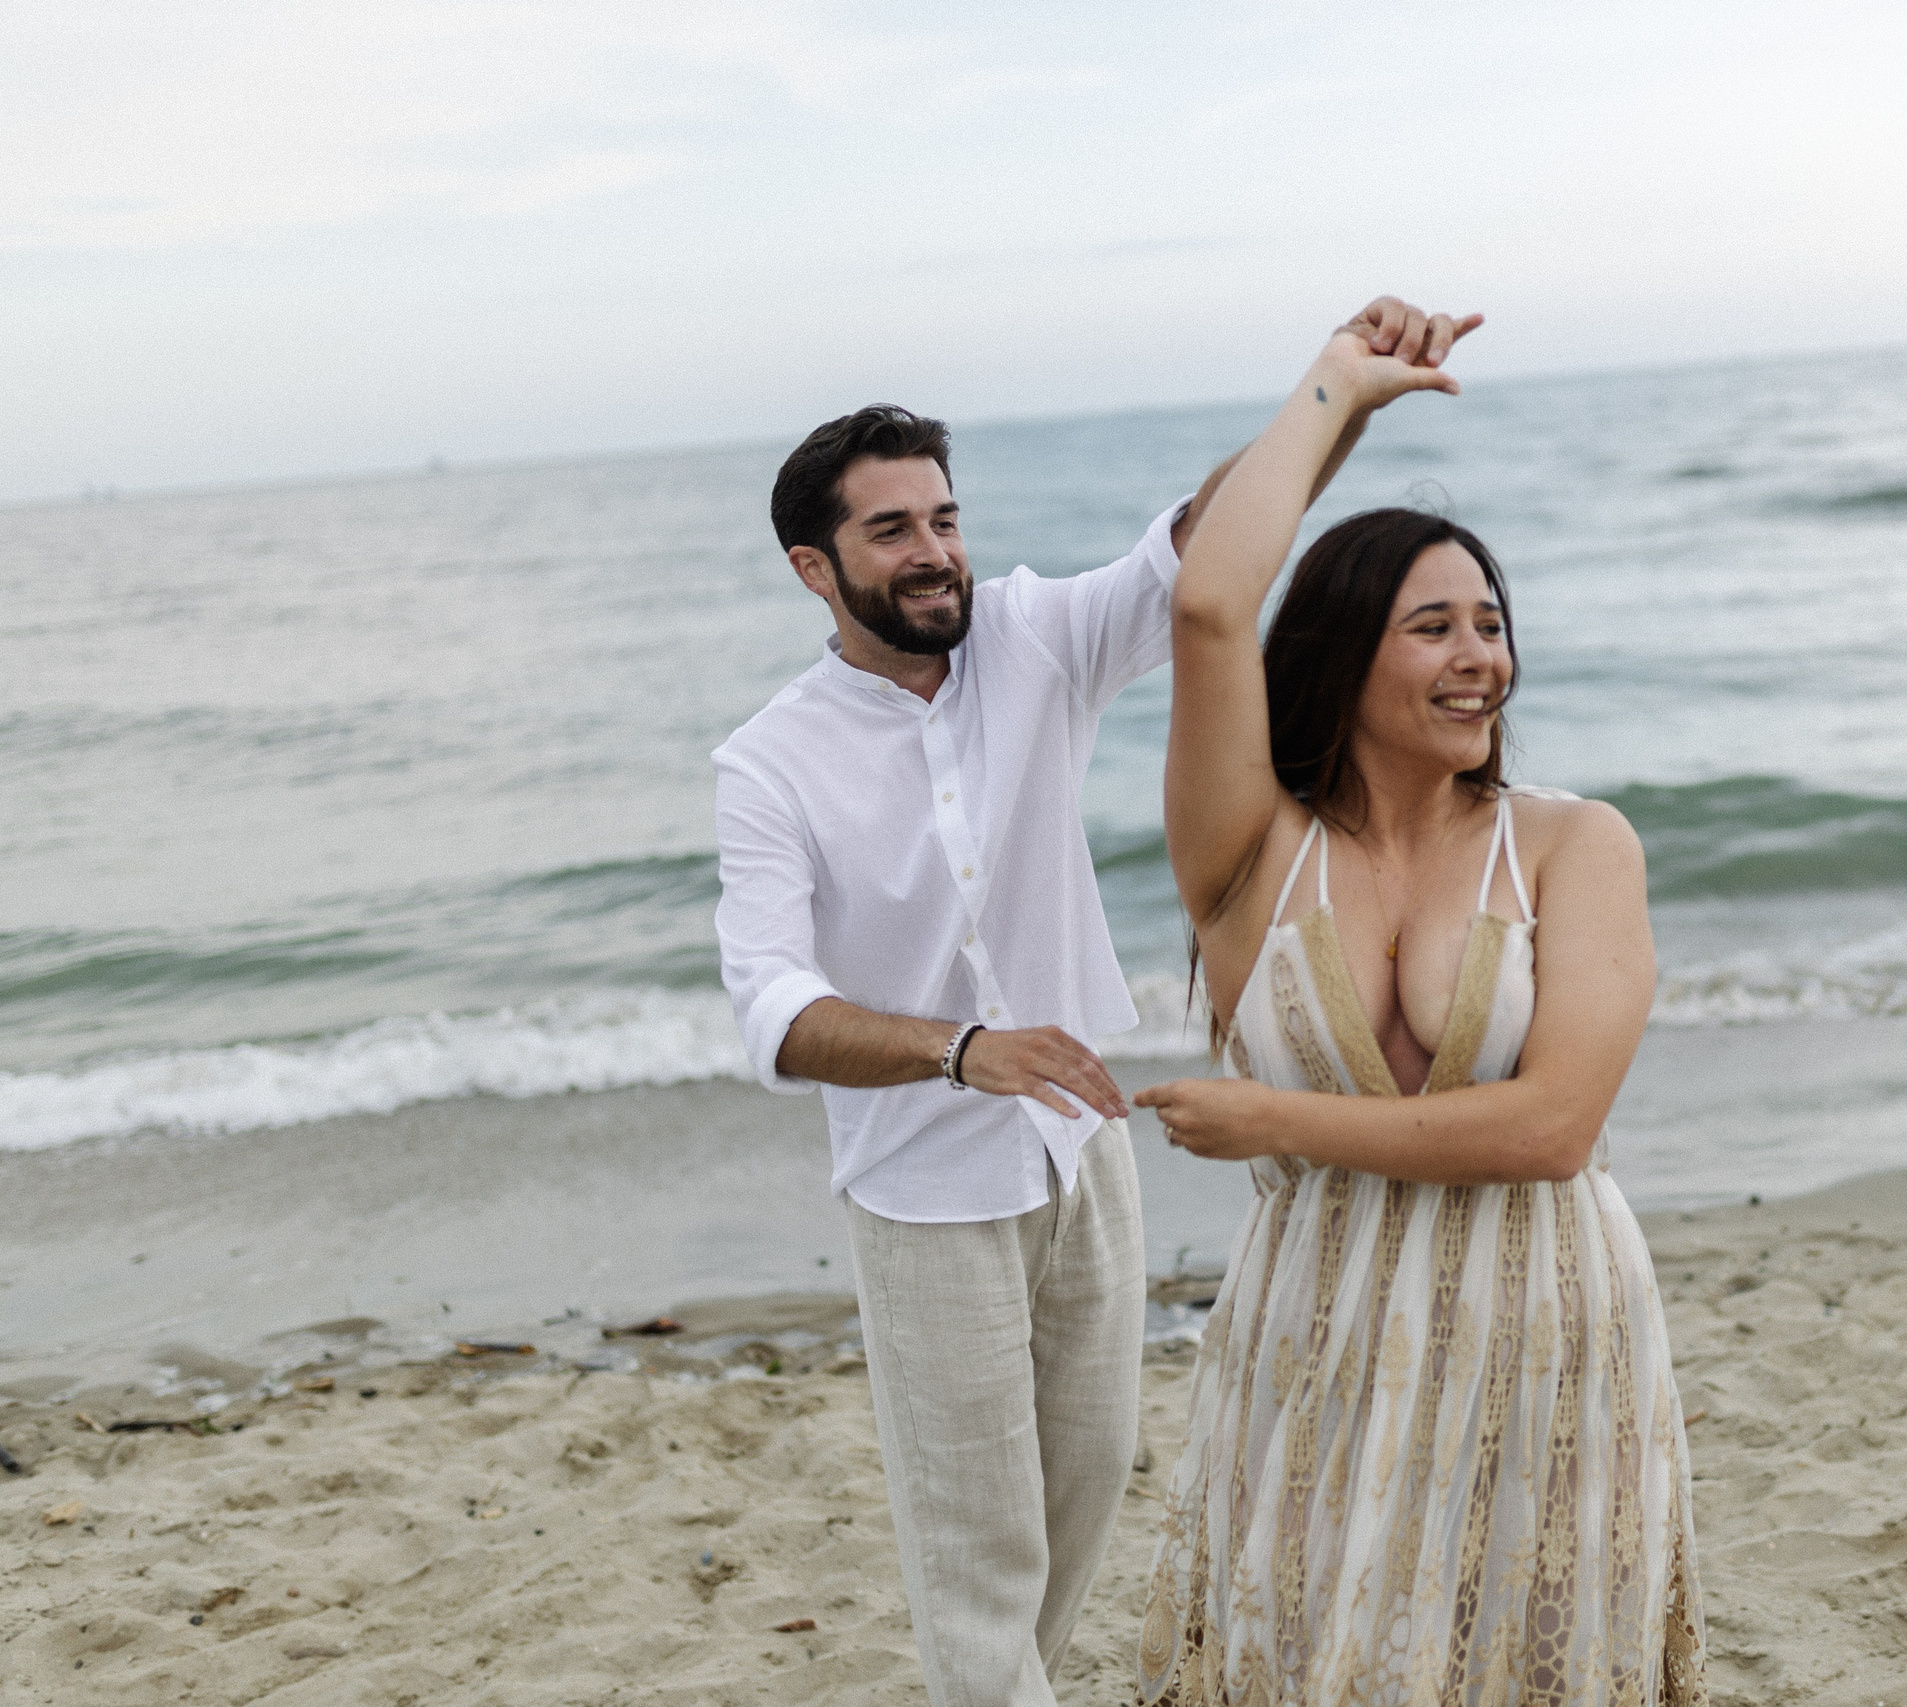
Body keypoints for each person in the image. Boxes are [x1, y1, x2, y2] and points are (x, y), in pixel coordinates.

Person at [708, 298, 1474, 1707]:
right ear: (814, 567)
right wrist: (962, 1050)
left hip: (1084, 1155)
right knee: (976, 1550)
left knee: (1075, 1513)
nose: (936, 551)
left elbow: (1204, 552)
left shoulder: (1032, 639)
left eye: (943, 516)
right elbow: (771, 1009)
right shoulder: (769, 764)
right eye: (893, 531)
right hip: (926, 1197)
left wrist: (1342, 396)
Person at [1131, 320, 1710, 1702]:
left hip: (1542, 1312)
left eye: (1494, 625)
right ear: (1341, 655)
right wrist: (1338, 387)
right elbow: (1210, 605)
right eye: (1434, 627)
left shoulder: (1577, 847)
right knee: (1308, 1649)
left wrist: (1273, 1117)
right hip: (1315, 1319)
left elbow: (1554, 1127)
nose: (1480, 659)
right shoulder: (1247, 856)